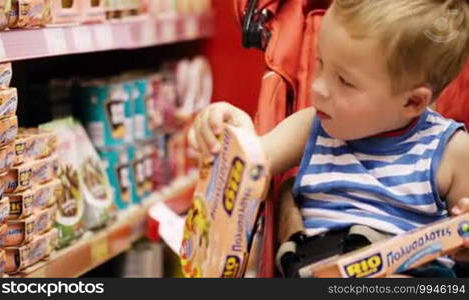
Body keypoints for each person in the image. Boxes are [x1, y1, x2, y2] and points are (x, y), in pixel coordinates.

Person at [188, 0, 469, 277]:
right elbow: (252, 158)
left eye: (345, 81)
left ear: (412, 102)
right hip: (315, 264)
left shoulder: (449, 152)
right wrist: (226, 127)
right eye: (319, 63)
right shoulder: (313, 127)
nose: (318, 87)